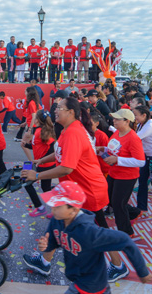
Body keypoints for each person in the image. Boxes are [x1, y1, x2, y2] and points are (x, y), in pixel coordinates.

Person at [21, 98, 130, 281]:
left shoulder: (73, 133)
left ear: (71, 111)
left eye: (59, 108)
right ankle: (44, 261)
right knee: (60, 222)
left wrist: (37, 175)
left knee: (97, 229)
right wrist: (42, 161)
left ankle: (118, 266)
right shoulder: (68, 130)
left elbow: (67, 167)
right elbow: (60, 154)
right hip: (77, 190)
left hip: (88, 190)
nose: (55, 110)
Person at [23, 181, 152, 292]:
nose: (53, 208)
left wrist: (142, 272)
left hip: (94, 286)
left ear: (73, 210)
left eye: (58, 205)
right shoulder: (57, 220)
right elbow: (53, 242)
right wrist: (45, 246)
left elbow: (125, 240)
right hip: (77, 281)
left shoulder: (90, 232)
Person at [103, 109, 146, 238]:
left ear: (127, 121)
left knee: (118, 205)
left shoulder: (133, 138)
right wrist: (103, 149)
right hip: (114, 172)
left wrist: (118, 160)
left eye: (117, 119)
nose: (114, 121)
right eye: (114, 119)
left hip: (126, 176)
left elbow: (140, 161)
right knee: (110, 200)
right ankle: (135, 212)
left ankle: (126, 232)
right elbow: (114, 149)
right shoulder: (117, 133)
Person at [20, 109, 55, 217]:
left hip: (44, 165)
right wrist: (26, 145)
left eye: (35, 118)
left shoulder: (43, 131)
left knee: (25, 181)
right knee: (46, 188)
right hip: (42, 164)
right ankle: (55, 211)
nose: (33, 119)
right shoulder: (39, 130)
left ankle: (40, 207)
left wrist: (42, 159)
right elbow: (37, 146)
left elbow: (52, 148)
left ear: (38, 120)